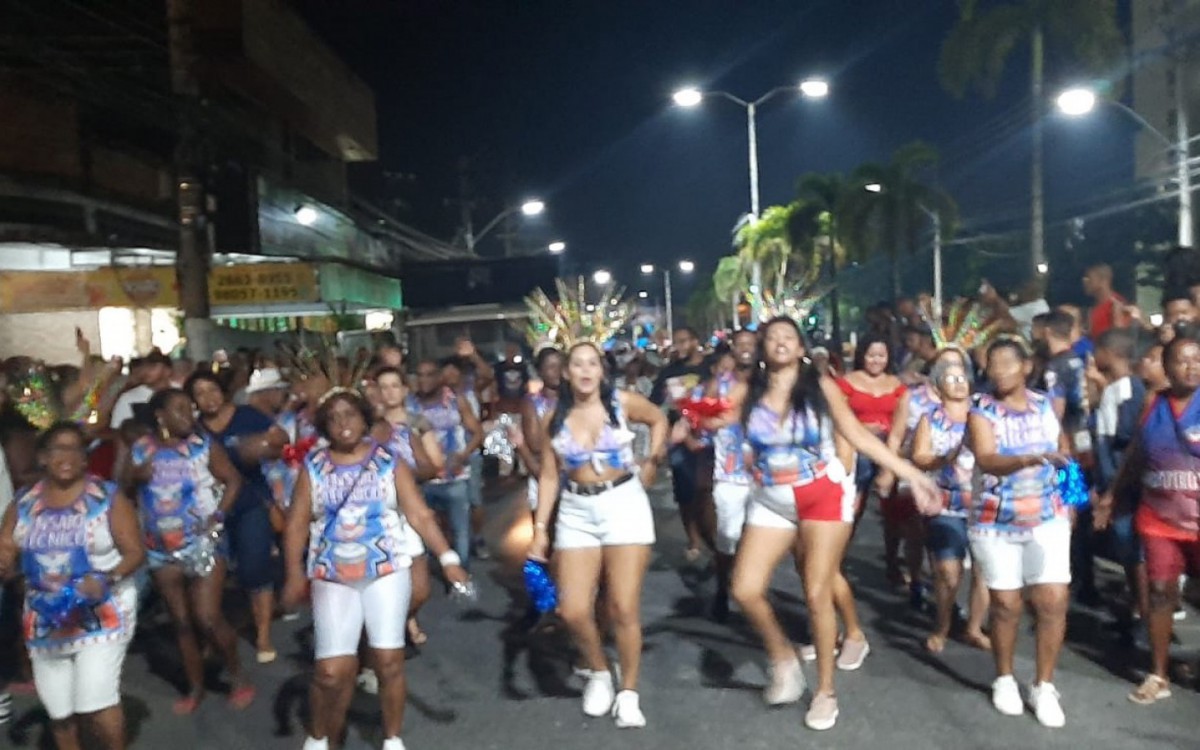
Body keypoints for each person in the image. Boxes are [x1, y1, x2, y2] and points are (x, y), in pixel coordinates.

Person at [723, 317, 939, 731]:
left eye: (788, 337)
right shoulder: (748, 391)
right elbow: (718, 425)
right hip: (770, 499)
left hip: (821, 493)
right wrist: (692, 421)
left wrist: (910, 473)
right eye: (772, 338)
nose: (779, 343)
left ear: (801, 347)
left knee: (817, 591)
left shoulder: (819, 388)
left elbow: (857, 434)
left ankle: (825, 691)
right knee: (744, 588)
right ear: (763, 349)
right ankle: (783, 657)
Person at [283, 390, 470, 750]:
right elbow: (296, 524)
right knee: (329, 672)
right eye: (334, 418)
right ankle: (319, 737)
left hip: (386, 570)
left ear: (366, 419)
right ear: (323, 425)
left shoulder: (389, 461)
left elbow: (418, 514)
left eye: (350, 415)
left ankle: (392, 737)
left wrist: (448, 559)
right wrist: (293, 573)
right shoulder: (314, 467)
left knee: (388, 661)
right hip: (331, 573)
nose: (343, 424)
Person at [527, 341, 667, 728]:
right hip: (576, 510)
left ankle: (629, 693)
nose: (585, 371)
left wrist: (652, 459)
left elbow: (659, 419)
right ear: (566, 372)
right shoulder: (553, 418)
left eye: (593, 364)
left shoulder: (623, 403)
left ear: (602, 371)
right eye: (577, 364)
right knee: (571, 609)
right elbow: (550, 475)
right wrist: (541, 528)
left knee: (623, 606)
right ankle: (601, 671)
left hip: (623, 503)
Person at [0, 423, 144, 750]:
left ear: (84, 459)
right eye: (56, 450)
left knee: (94, 701)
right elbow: (6, 544)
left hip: (102, 611)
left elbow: (135, 552)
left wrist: (107, 578)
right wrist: (5, 559)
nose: (65, 457)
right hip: (45, 615)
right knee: (60, 710)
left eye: (74, 449)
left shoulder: (107, 497)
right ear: (42, 458)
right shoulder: (24, 502)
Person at [119, 388, 254, 713]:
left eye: (189, 409)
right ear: (160, 416)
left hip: (203, 544)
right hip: (160, 549)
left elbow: (234, 481)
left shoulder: (202, 447)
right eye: (179, 410)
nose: (188, 416)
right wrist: (136, 476)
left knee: (207, 617)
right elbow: (120, 490)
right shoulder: (141, 449)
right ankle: (195, 688)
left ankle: (236, 676)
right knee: (180, 622)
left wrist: (218, 516)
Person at [967, 337, 1072, 728]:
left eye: (1008, 363)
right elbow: (987, 458)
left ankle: (1044, 684)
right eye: (993, 364)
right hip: (996, 521)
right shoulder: (981, 409)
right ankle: (1005, 677)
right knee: (1006, 605)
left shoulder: (1045, 404)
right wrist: (1027, 459)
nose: (1000, 371)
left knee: (1053, 599)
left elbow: (1062, 451)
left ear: (1025, 366)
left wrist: (1071, 498)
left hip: (1047, 516)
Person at [1096, 330, 1200, 705]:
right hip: (1159, 517)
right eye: (1182, 360)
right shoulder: (1154, 403)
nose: (1191, 367)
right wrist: (1112, 496)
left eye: (1197, 359)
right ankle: (1158, 673)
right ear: (1167, 368)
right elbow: (1136, 454)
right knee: (1159, 593)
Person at [188, 370, 288, 664]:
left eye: (212, 390)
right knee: (208, 573)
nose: (208, 398)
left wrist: (265, 444)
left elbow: (280, 440)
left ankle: (263, 635)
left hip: (249, 504)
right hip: (209, 512)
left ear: (224, 391)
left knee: (254, 568)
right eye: (200, 393)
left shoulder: (248, 415)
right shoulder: (194, 430)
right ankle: (213, 632)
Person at [909, 357, 990, 653]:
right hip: (946, 503)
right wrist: (948, 458)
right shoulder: (930, 420)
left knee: (984, 569)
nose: (958, 384)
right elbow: (919, 456)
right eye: (951, 379)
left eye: (962, 378)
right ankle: (942, 625)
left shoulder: (984, 415)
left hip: (984, 504)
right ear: (937, 386)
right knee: (948, 572)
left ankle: (974, 627)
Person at [372, 366, 444, 647]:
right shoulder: (368, 427)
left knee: (419, 589)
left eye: (394, 385)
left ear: (404, 390)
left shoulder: (415, 424)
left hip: (411, 509)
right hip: (379, 515)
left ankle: (402, 618)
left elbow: (433, 464)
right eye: (383, 386)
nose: (389, 392)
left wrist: (402, 476)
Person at [837, 334, 913, 596]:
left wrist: (889, 466)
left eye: (881, 355)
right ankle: (837, 560)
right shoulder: (846, 383)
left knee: (892, 512)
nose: (876, 360)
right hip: (855, 449)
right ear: (862, 356)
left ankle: (893, 562)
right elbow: (840, 419)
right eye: (871, 355)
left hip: (886, 448)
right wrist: (860, 431)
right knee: (851, 508)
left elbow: (898, 430)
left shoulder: (898, 387)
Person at [1090, 329, 1148, 642]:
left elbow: (1126, 443)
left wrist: (1113, 488)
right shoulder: (1112, 389)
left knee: (1134, 551)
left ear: (1110, 353)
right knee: (1125, 551)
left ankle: (1144, 614)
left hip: (1122, 485)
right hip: (1109, 480)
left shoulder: (1128, 389)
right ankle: (1133, 612)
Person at [1039, 310, 1097, 604]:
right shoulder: (1079, 360)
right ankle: (1087, 580)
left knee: (1067, 511)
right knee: (1082, 513)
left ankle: (1071, 578)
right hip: (1086, 442)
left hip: (1067, 448)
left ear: (1048, 331)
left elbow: (1054, 412)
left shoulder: (1056, 366)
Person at [408, 359, 482, 567]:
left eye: (429, 374)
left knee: (460, 530)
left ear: (439, 377)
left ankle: (461, 576)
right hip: (423, 480)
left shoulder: (455, 401)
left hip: (454, 477)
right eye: (419, 375)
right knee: (425, 530)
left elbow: (477, 433)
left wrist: (463, 454)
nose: (424, 380)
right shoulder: (409, 405)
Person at [704, 329, 756, 621]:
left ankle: (750, 591)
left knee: (761, 536)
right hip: (729, 473)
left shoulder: (768, 382)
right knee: (727, 537)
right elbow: (703, 418)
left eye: (752, 344)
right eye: (741, 344)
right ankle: (722, 590)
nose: (746, 349)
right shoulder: (719, 383)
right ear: (732, 349)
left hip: (767, 474)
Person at [650, 327, 712, 560]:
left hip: (709, 437)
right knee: (685, 493)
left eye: (685, 341)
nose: (681, 346)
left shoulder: (710, 368)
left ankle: (714, 537)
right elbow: (653, 405)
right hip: (679, 440)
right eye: (677, 342)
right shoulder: (669, 372)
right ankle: (693, 539)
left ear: (696, 341)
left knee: (706, 491)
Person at [517, 347, 564, 513]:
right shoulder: (532, 402)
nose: (557, 372)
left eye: (560, 366)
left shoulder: (573, 398)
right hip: (543, 470)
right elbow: (535, 444)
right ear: (540, 371)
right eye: (551, 367)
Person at [109, 352, 173, 432]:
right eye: (145, 367)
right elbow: (117, 430)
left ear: (168, 370)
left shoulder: (180, 393)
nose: (146, 371)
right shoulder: (128, 398)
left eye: (152, 366)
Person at [1083, 263, 1128, 339]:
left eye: (1089, 278)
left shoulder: (1117, 304)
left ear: (1103, 281)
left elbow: (1120, 337)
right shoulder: (1093, 307)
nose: (1085, 282)